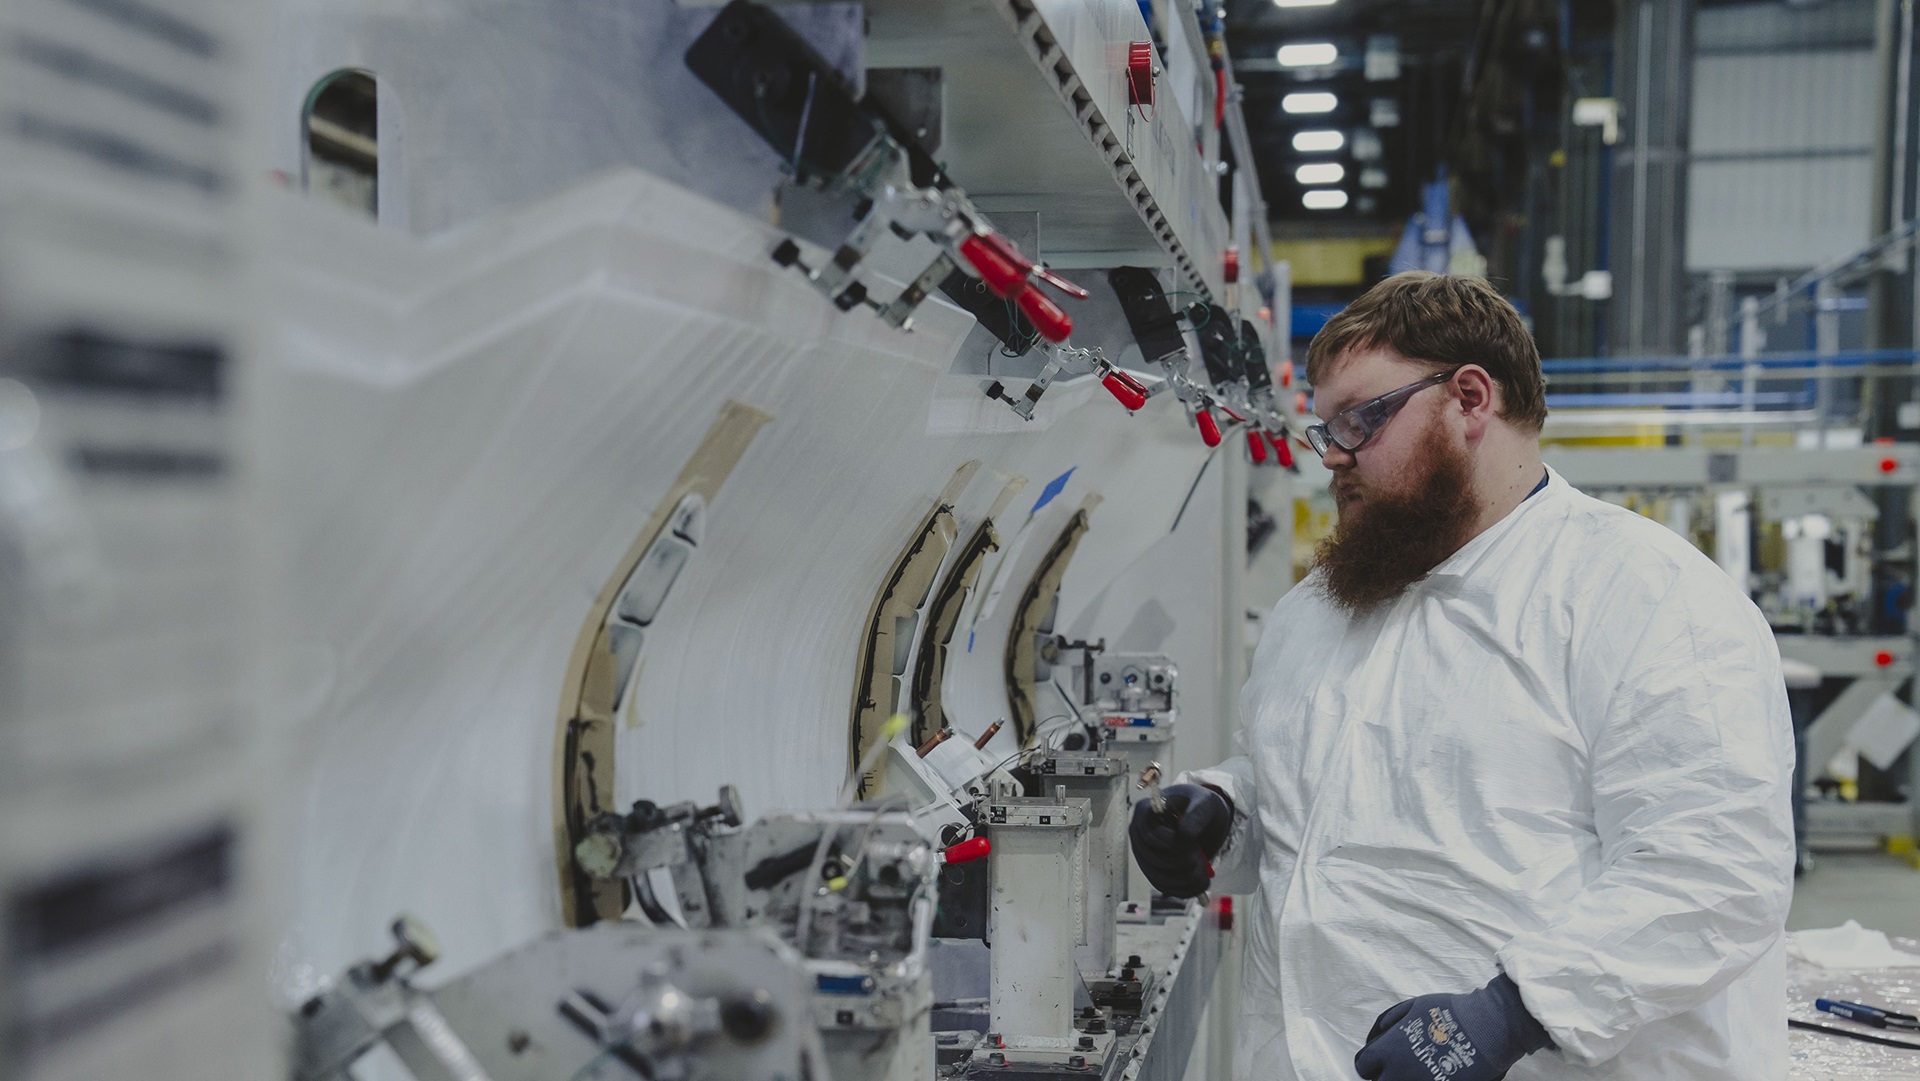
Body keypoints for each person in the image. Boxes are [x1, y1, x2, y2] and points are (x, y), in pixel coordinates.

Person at [1130, 271, 1795, 1081]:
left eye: (1360, 420)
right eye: (1324, 428)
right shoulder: (1321, 609)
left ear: (1472, 398)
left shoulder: (1648, 597)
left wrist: (1515, 1011)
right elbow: (1324, 809)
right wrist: (1223, 811)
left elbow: (1713, 868)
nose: (1333, 455)